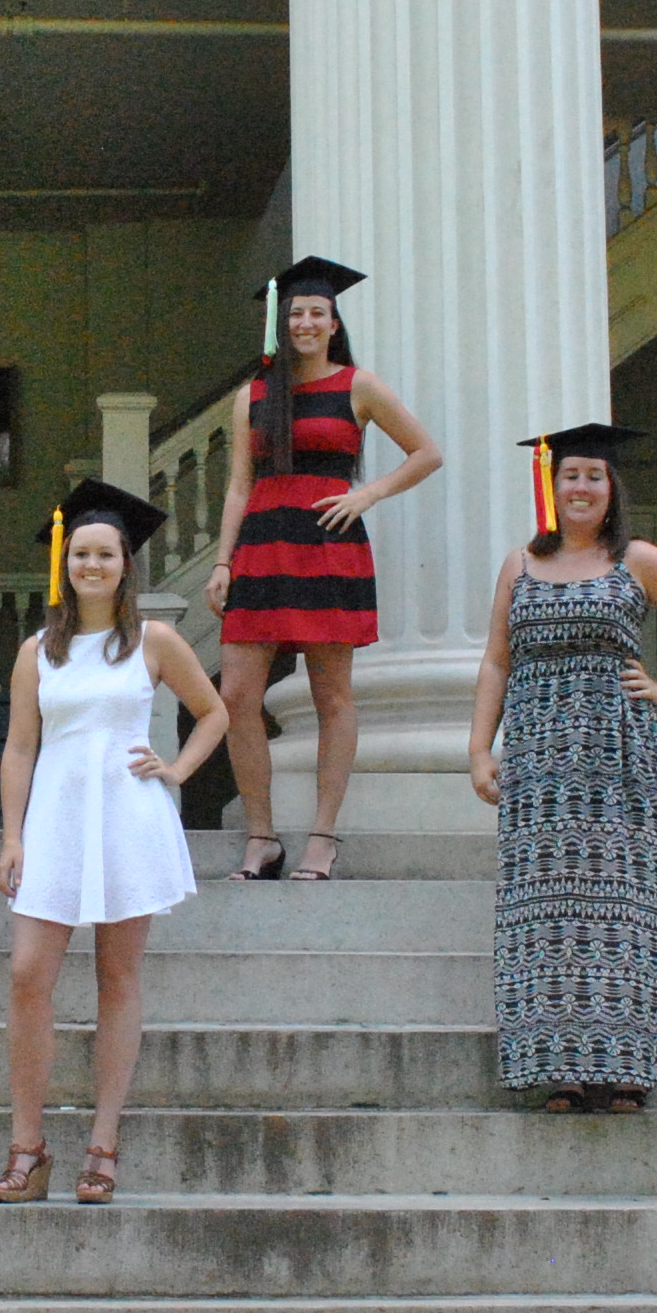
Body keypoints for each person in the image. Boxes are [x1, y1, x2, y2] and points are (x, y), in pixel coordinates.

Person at [468, 422, 657, 1114]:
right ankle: (562, 1068)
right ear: (551, 487)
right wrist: (479, 749)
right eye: (570, 476)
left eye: (594, 476)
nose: (581, 487)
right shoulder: (519, 565)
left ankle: (628, 1068)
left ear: (612, 489)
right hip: (537, 763)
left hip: (616, 757)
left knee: (624, 906)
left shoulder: (636, 559)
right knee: (545, 910)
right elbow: (496, 660)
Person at [0, 482, 231, 1205]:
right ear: (65, 564)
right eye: (81, 554)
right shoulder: (38, 652)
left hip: (127, 816)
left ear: (127, 565)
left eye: (106, 554)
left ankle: (102, 1145)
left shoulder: (153, 641)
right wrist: (11, 836)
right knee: (29, 974)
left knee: (117, 979)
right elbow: (19, 749)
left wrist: (176, 770)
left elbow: (214, 712)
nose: (92, 565)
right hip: (55, 820)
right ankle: (28, 1148)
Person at [207, 256, 441, 881]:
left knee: (331, 695)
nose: (306, 323)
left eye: (317, 313)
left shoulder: (359, 386)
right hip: (261, 546)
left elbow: (426, 453)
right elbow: (239, 485)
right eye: (296, 314)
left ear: (334, 324)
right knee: (236, 696)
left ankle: (322, 836)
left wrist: (368, 494)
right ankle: (262, 835)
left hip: (328, 547)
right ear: (281, 325)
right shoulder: (253, 395)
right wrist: (223, 560)